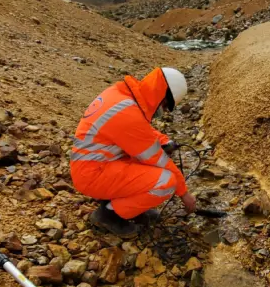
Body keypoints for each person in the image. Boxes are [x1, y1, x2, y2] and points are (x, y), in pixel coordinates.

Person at [70, 67, 197, 237]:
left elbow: (137, 130)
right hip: (92, 175)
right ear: (160, 94)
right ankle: (108, 215)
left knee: (146, 167)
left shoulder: (122, 97)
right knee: (167, 182)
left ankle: (130, 207)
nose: (163, 111)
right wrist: (184, 193)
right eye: (166, 105)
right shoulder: (127, 112)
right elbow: (157, 159)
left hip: (95, 166)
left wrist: (163, 140)